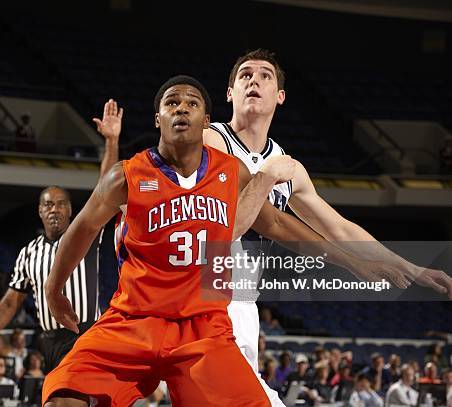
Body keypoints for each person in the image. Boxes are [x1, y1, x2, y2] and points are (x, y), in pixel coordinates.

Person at [200, 48, 452, 405]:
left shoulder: (289, 166)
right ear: (230, 93)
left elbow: (341, 228)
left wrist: (410, 267)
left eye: (265, 75)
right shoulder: (212, 141)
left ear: (280, 96)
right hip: (202, 292)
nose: (254, 80)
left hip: (242, 303)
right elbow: (252, 221)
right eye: (245, 75)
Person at [41, 75, 298, 406]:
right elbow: (85, 225)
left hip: (203, 324)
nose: (182, 109)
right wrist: (53, 287)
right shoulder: (128, 178)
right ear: (158, 118)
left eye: (192, 103)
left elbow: (274, 221)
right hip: (135, 318)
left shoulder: (229, 172)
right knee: (63, 398)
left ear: (206, 121)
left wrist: (350, 256)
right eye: (172, 102)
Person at [0, 99, 124, 378]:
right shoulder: (28, 252)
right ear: (39, 211)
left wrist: (111, 142)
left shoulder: (83, 234)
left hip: (85, 333)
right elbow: (9, 304)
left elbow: (104, 189)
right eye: (48, 204)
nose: (55, 209)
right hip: (49, 341)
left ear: (71, 210)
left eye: (61, 204)